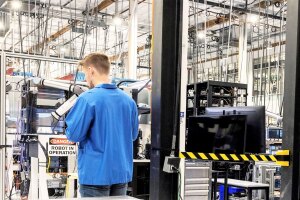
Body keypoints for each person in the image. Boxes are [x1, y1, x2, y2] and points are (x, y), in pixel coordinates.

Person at [65, 53, 139, 197]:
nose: (86, 79)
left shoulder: (88, 99)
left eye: (85, 73)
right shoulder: (129, 102)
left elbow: (74, 135)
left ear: (91, 70)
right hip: (121, 174)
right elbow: (134, 135)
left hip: (95, 176)